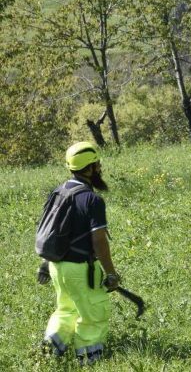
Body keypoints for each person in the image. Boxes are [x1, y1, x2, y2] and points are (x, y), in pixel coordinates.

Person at [38, 142, 120, 365]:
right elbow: (99, 240)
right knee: (93, 314)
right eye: (97, 164)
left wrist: (45, 263)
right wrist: (111, 273)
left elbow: (50, 229)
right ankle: (88, 360)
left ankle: (49, 352)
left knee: (66, 309)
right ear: (90, 168)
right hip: (81, 269)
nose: (100, 168)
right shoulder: (92, 200)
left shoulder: (58, 191)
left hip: (56, 266)